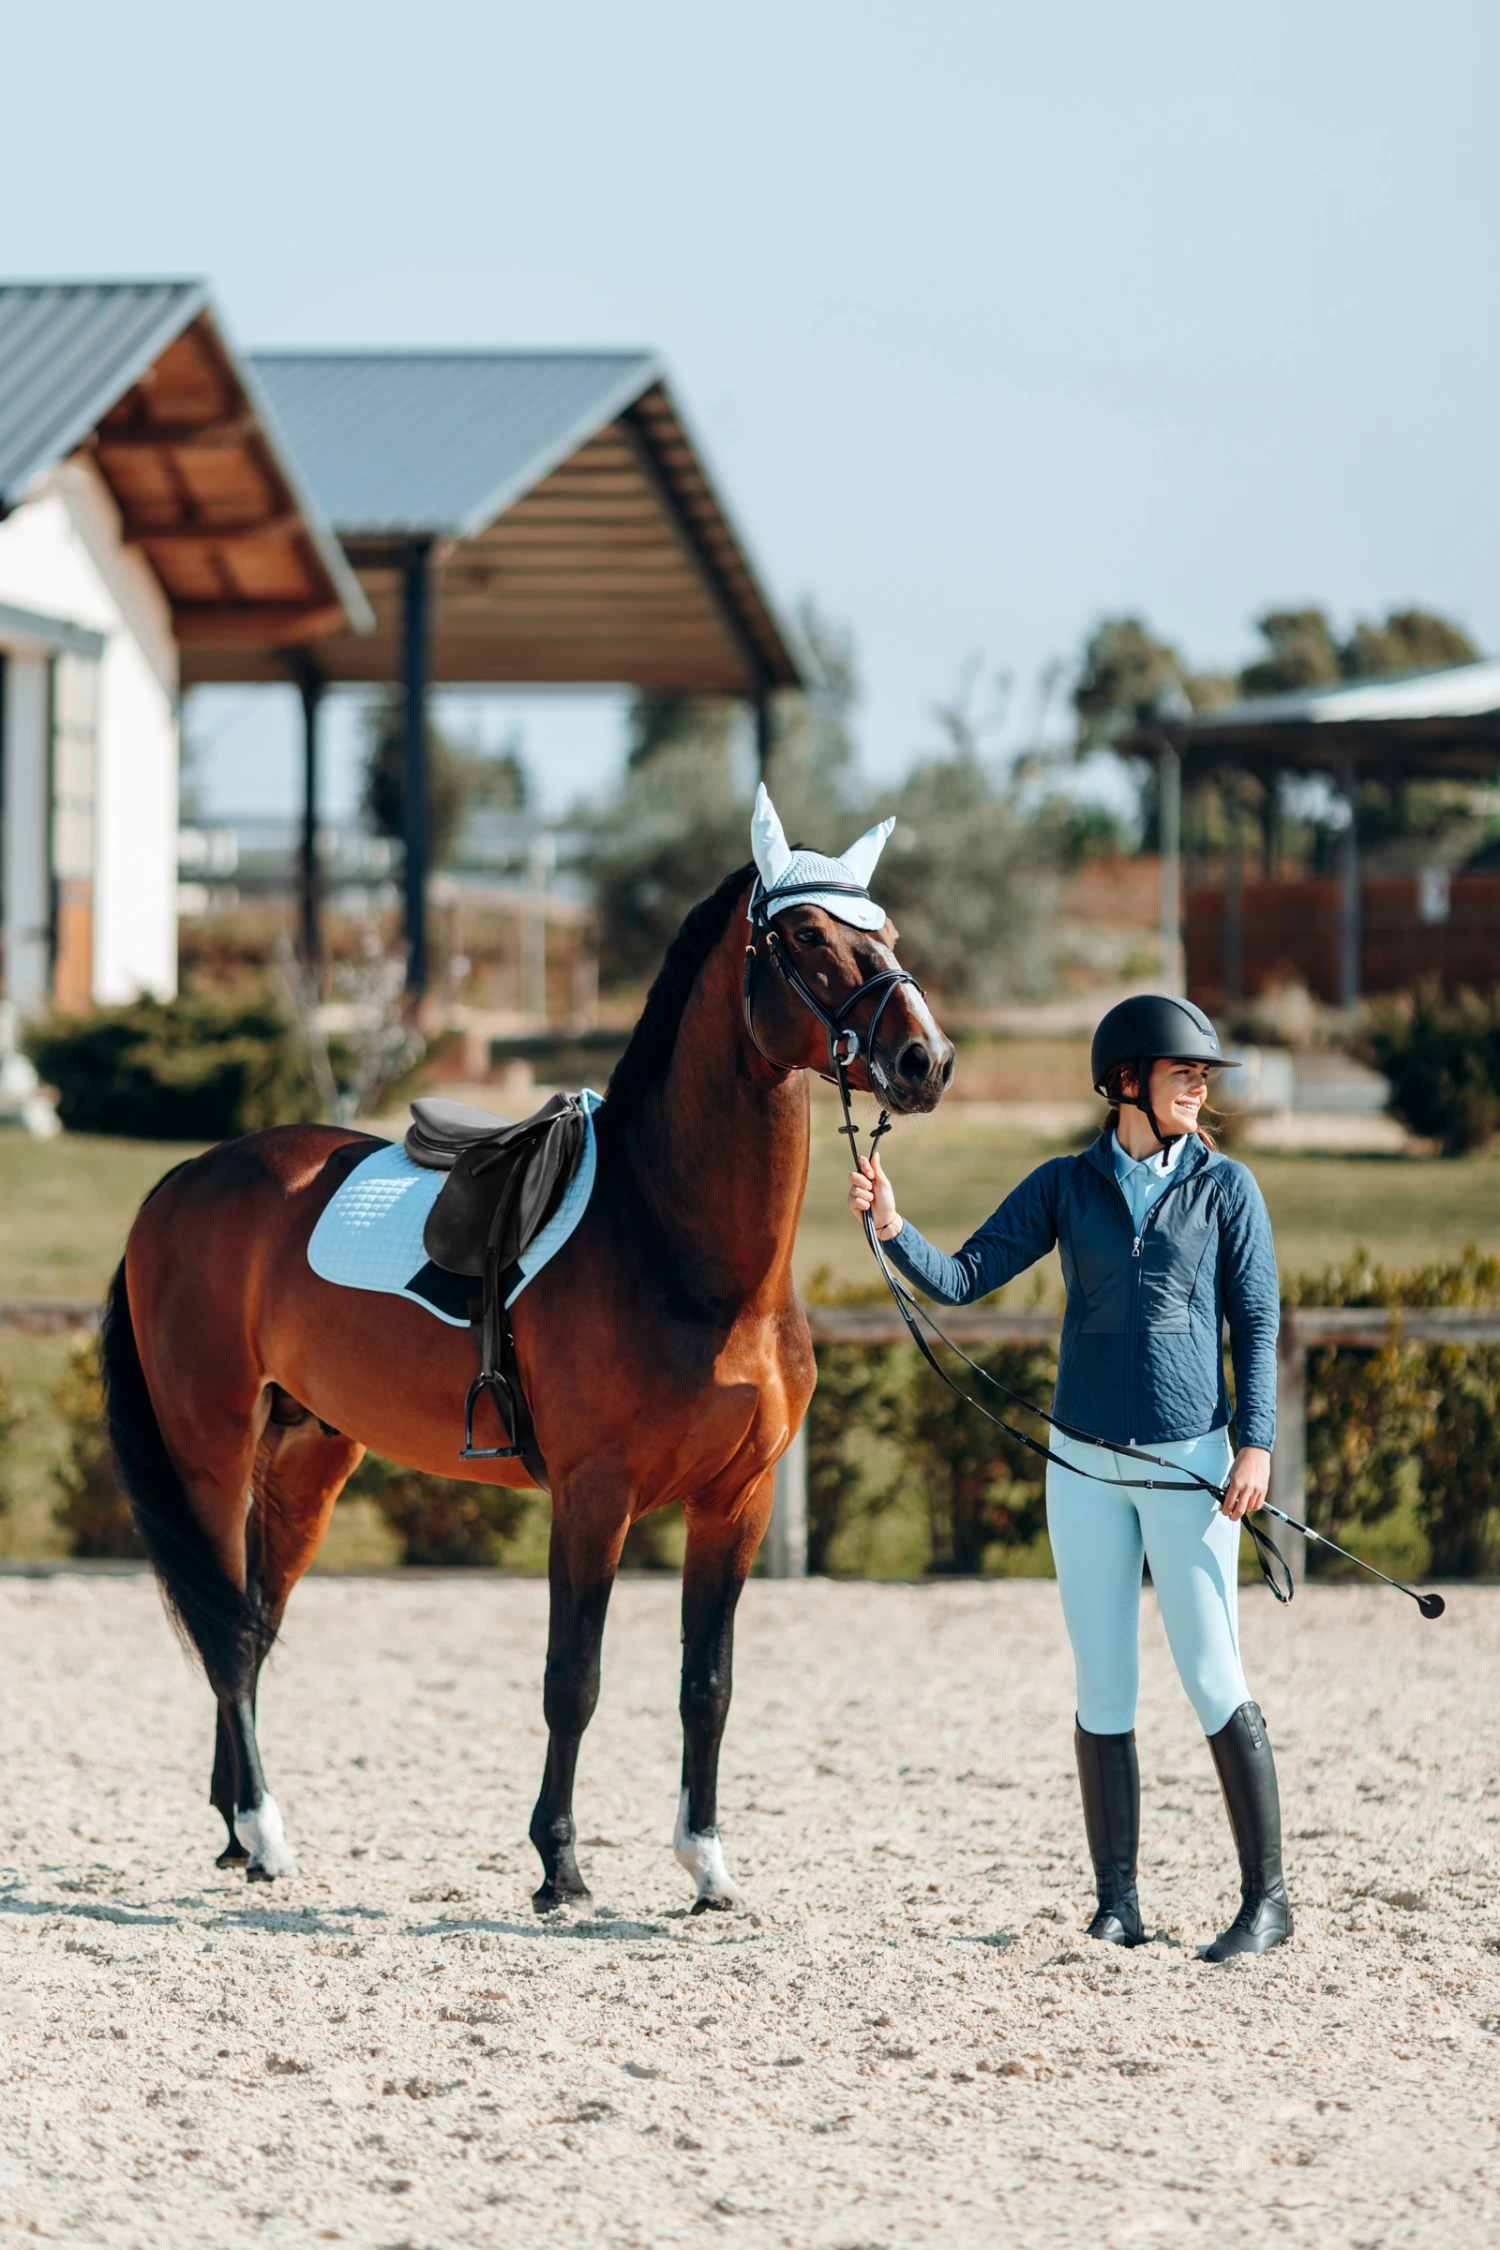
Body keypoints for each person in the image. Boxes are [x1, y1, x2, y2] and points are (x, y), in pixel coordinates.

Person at [848, 994, 1291, 1961]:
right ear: (1126, 1080)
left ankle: (1267, 1902)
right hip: (1082, 1467)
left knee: (1214, 1674)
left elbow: (1256, 1324)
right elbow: (964, 1277)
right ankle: (1118, 1902)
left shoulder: (1228, 1190)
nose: (1199, 1087)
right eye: (1184, 1071)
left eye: (1203, 1075)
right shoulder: (1063, 1186)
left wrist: (1253, 1445)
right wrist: (891, 1226)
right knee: (1104, 1687)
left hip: (1190, 1466)